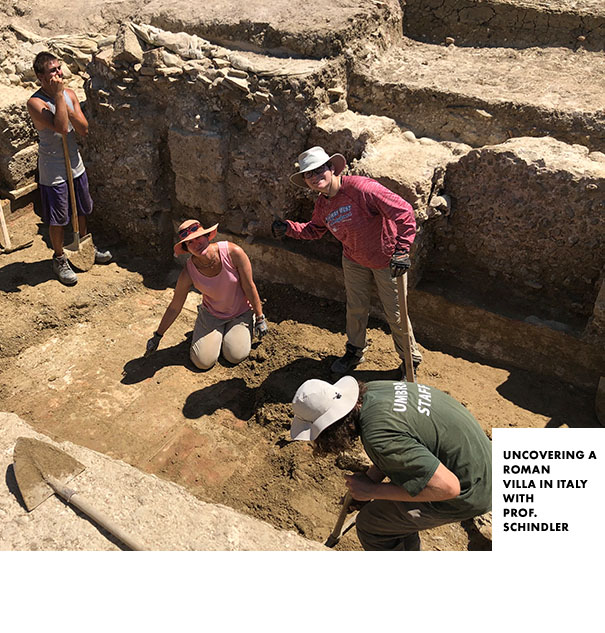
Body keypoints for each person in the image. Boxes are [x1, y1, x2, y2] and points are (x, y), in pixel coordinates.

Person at [290, 376, 492, 551]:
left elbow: (447, 488)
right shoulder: (374, 391)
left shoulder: (377, 437)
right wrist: (371, 479)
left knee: (372, 524)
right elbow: (403, 441)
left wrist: (373, 491)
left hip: (473, 490)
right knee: (390, 516)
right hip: (483, 461)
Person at [272, 146, 421, 377]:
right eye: (308, 174)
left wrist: (402, 250)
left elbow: (404, 211)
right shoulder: (323, 204)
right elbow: (315, 229)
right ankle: (355, 350)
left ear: (331, 168)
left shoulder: (361, 189)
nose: (314, 177)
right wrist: (289, 228)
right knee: (356, 308)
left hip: (386, 258)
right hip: (353, 259)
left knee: (396, 313)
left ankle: (410, 360)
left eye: (319, 170)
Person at [27, 51, 111, 286]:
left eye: (58, 68)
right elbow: (62, 128)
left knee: (81, 208)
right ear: (40, 77)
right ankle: (60, 257)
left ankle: (85, 245)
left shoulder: (70, 94)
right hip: (52, 167)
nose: (58, 74)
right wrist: (57, 98)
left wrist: (64, 98)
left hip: (74, 163)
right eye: (52, 71)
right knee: (58, 217)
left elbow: (83, 129)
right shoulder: (36, 103)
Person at [145, 220, 268, 368]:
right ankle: (209, 326)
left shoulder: (233, 253)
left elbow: (249, 286)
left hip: (240, 313)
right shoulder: (188, 272)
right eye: (190, 242)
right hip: (212, 315)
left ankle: (245, 323)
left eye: (199, 237)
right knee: (202, 362)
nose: (196, 243)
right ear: (187, 249)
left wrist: (260, 317)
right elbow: (174, 307)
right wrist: (158, 335)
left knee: (234, 356)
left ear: (207, 236)